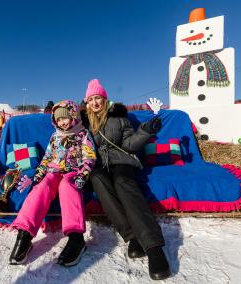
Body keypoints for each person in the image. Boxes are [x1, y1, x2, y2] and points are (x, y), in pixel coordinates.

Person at [81, 79, 171, 280]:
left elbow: (129, 144)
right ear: (87, 102)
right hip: (97, 165)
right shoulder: (83, 122)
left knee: (123, 183)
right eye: (92, 99)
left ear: (105, 99)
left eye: (99, 98)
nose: (95, 102)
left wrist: (147, 130)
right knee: (98, 180)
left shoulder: (119, 117)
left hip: (121, 160)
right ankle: (132, 237)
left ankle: (154, 247)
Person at [9, 100, 96, 267]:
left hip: (73, 172)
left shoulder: (83, 134)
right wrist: (38, 175)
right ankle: (24, 234)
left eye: (65, 118)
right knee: (42, 187)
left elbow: (89, 156)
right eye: (58, 120)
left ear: (74, 116)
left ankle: (76, 238)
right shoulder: (55, 136)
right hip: (53, 172)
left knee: (67, 186)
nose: (62, 122)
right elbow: (47, 158)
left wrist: (83, 174)